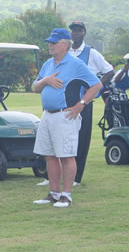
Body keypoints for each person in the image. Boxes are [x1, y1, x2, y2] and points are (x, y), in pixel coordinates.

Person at [32, 28, 102, 208]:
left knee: (66, 156)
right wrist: (46, 80)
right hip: (48, 114)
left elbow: (96, 85)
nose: (50, 46)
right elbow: (35, 87)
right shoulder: (48, 64)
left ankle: (67, 195)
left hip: (65, 115)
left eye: (54, 43)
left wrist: (82, 104)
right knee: (50, 155)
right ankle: (54, 193)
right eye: (49, 42)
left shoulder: (76, 64)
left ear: (64, 44)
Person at [65, 21, 114, 185]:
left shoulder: (91, 53)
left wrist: (96, 90)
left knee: (82, 138)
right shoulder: (66, 50)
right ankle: (54, 175)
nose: (76, 33)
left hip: (84, 101)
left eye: (79, 31)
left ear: (84, 33)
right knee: (63, 137)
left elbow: (109, 71)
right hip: (65, 101)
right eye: (73, 31)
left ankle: (76, 178)